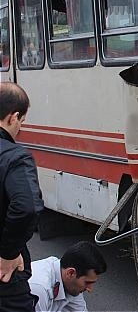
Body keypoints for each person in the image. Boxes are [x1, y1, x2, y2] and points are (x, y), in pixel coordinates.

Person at [0, 81, 44, 312]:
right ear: (13, 117)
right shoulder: (15, 157)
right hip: (5, 278)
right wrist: (8, 253)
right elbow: (27, 207)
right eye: (22, 121)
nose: (20, 128)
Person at [29, 241, 107, 312]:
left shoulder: (71, 282)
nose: (90, 289)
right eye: (87, 282)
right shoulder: (38, 289)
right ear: (70, 273)